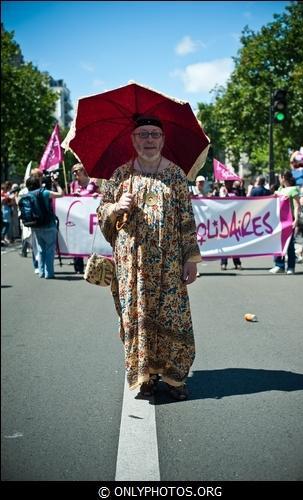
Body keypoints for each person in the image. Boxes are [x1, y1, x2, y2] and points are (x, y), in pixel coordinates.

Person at [97, 115, 201, 400]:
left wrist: (190, 258)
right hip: (133, 265)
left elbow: (186, 220)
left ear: (163, 139)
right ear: (133, 139)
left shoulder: (177, 175)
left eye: (155, 134)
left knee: (174, 318)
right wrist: (117, 206)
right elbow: (101, 212)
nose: (149, 140)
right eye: (143, 134)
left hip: (168, 265)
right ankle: (145, 376)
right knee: (137, 318)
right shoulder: (120, 175)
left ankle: (174, 378)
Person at [25, 174, 64, 278]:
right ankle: (49, 273)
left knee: (41, 250)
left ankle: (41, 272)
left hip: (35, 226)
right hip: (48, 224)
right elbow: (61, 194)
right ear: (38, 183)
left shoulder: (28, 195)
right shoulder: (44, 192)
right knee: (50, 250)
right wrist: (56, 184)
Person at [69, 163, 99, 274]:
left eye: (77, 171)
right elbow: (69, 200)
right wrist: (73, 194)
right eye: (73, 171)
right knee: (77, 241)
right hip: (78, 217)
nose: (75, 173)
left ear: (83, 171)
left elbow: (100, 194)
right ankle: (78, 267)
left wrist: (96, 195)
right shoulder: (73, 184)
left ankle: (92, 266)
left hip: (90, 218)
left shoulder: (93, 182)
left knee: (91, 242)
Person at [269, 171, 300, 275]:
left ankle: (291, 267)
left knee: (290, 244)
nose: (278, 179)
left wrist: (296, 220)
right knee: (278, 243)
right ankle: (279, 265)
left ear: (283, 178)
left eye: (279, 177)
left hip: (289, 220)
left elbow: (296, 206)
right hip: (278, 221)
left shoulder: (293, 190)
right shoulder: (280, 189)